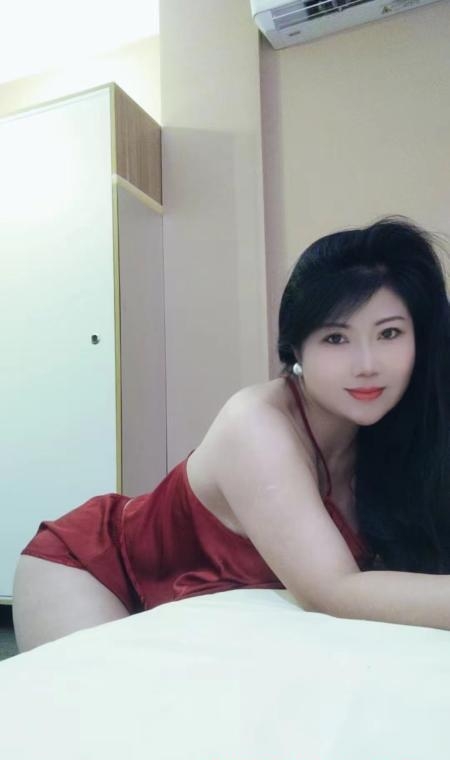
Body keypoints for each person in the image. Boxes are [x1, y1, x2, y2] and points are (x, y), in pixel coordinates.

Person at [13, 216, 450, 651]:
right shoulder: (255, 424)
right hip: (97, 573)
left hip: (207, 613)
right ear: (296, 348)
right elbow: (334, 591)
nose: (367, 364)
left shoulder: (403, 428)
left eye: (389, 333)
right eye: (336, 338)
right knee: (115, 695)